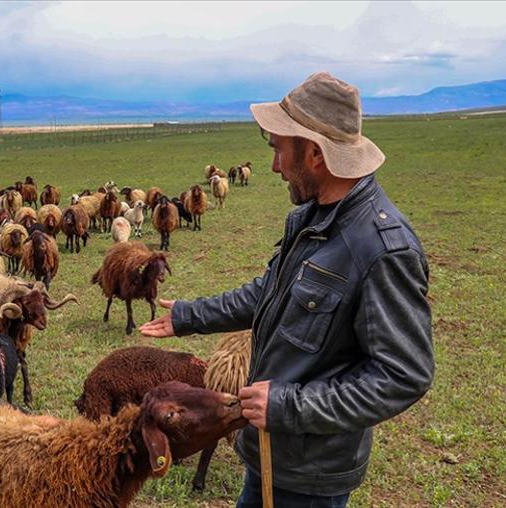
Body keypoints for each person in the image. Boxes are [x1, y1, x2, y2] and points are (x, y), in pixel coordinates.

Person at [140, 72, 434, 507]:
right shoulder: (314, 219)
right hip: (271, 454)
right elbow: (269, 292)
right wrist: (190, 315)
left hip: (309, 476)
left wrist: (287, 406)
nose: (275, 166)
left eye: (279, 149)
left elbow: (403, 374)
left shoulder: (379, 248)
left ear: (315, 153)